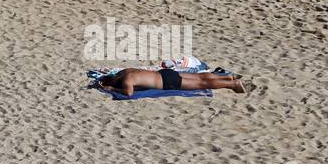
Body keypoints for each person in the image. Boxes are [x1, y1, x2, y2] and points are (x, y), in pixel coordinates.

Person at [95, 68, 250, 96]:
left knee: (202, 84)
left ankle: (233, 84)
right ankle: (227, 77)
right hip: (165, 73)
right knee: (199, 77)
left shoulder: (126, 81)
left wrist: (112, 89)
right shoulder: (126, 71)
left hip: (166, 82)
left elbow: (128, 93)